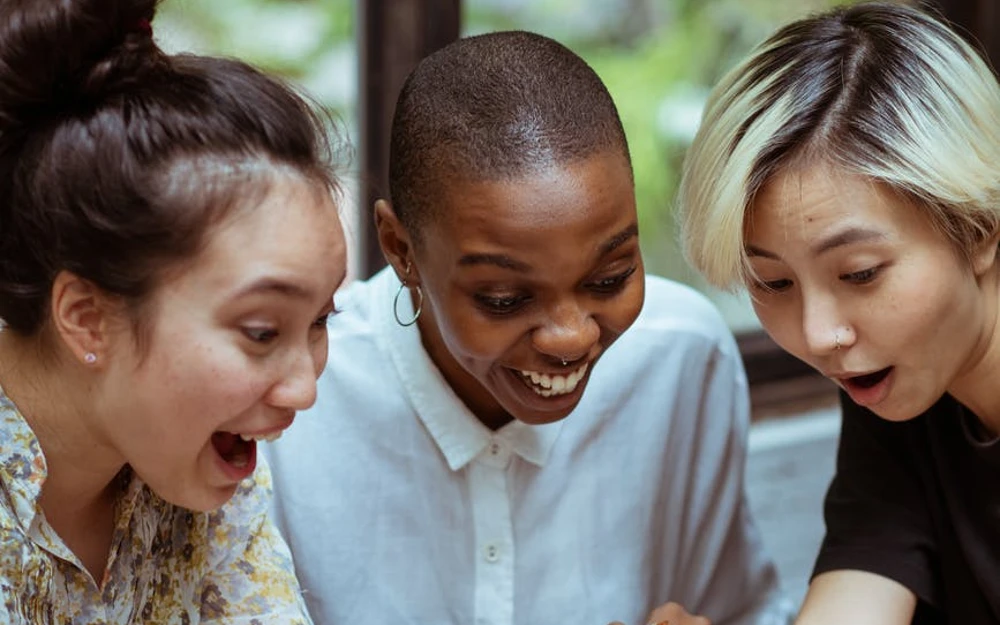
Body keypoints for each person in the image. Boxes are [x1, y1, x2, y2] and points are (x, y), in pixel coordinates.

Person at [264, 30, 793, 625]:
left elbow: (741, 609)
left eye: (609, 278)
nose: (571, 337)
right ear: (399, 248)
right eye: (505, 297)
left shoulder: (681, 359)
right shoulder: (296, 410)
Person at [0, 0, 347, 622]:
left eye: (321, 320)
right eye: (263, 331)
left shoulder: (193, 476)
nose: (304, 389)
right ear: (86, 317)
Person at [677, 2, 1000, 623]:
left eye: (860, 274)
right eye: (772, 282)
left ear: (981, 225)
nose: (820, 335)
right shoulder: (903, 384)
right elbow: (861, 585)